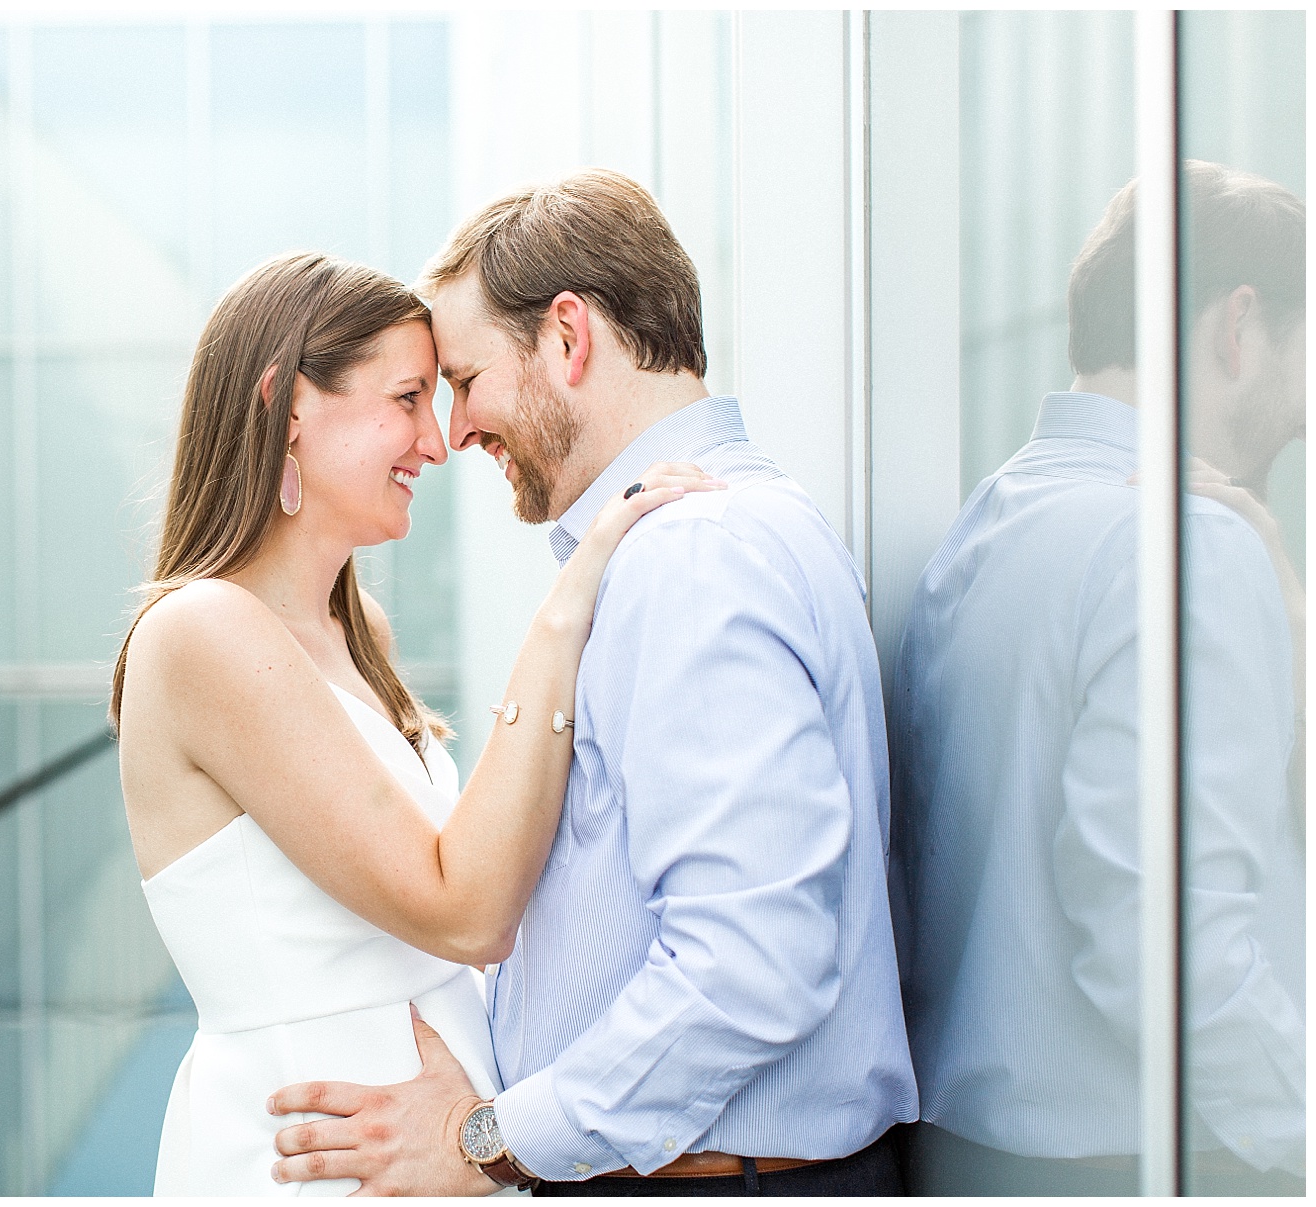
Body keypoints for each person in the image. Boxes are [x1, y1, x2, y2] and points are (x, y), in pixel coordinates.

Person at [268, 169, 917, 1195]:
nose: (459, 430)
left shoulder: (691, 556)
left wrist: (486, 1136)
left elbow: (751, 959)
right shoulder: (698, 539)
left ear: (569, 338)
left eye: (467, 380)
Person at [111, 249, 716, 1196]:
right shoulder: (202, 635)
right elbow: (466, 909)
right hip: (318, 1164)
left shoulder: (357, 631)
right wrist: (567, 609)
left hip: (428, 1158)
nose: (436, 442)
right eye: (408, 398)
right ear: (288, 404)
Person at [889, 161, 1305, 1195]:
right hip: (1162, 1163)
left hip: (976, 1155)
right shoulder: (1189, 546)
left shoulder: (983, 529)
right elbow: (1164, 932)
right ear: (1237, 327)